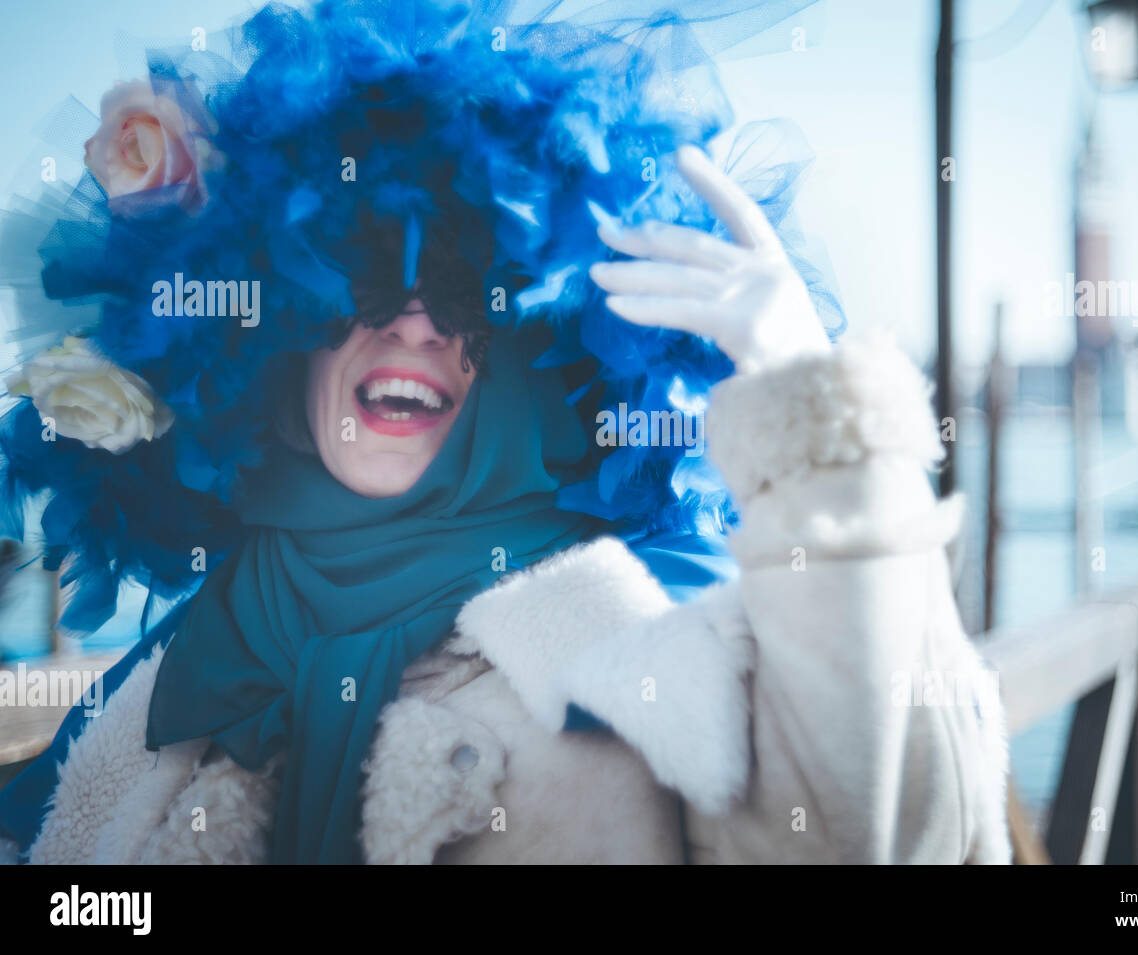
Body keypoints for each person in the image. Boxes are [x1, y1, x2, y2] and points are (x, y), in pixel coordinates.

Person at [0, 0, 1010, 864]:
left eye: (465, 291)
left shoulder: (648, 639)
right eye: (356, 279)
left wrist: (809, 408)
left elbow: (880, 829)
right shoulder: (181, 672)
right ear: (282, 338)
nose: (418, 325)